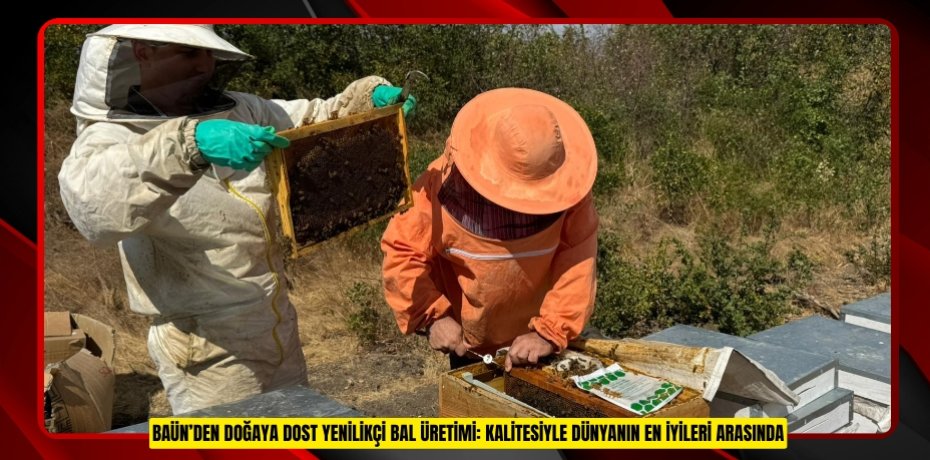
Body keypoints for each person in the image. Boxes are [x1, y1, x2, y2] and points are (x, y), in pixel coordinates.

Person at [57, 24, 416, 414]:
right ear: (143, 52)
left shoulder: (239, 108)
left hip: (274, 316)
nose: (206, 64)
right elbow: (92, 206)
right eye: (191, 54)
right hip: (206, 348)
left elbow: (312, 117)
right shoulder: (110, 136)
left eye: (209, 53)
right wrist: (188, 145)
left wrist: (367, 102)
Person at [380, 88, 598, 371]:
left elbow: (578, 260)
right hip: (469, 344)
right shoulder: (438, 183)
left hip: (541, 344)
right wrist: (432, 316)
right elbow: (403, 250)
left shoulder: (566, 189)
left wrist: (550, 331)